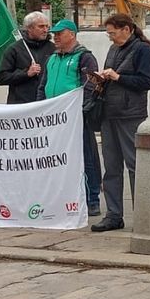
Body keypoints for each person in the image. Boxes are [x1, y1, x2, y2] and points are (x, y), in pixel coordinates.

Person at [91, 13, 150, 232]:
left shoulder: (143, 49)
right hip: (109, 112)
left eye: (112, 33)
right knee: (111, 166)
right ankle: (113, 214)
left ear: (126, 29)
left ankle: (144, 214)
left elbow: (147, 81)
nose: (110, 37)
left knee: (134, 165)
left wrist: (118, 77)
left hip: (130, 114)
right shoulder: (114, 49)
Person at [40, 19, 103, 218]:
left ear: (72, 35)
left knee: (86, 157)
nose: (55, 37)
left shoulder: (85, 57)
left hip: (76, 118)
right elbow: (43, 85)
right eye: (54, 34)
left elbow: (90, 86)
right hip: (53, 118)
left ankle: (92, 199)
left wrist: (80, 110)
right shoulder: (52, 59)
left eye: (60, 33)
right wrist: (39, 108)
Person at [0, 11, 55, 104]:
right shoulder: (14, 49)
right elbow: (0, 78)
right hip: (21, 106)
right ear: (29, 28)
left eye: (47, 26)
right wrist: (26, 74)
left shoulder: (53, 48)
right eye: (41, 26)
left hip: (47, 104)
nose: (45, 30)